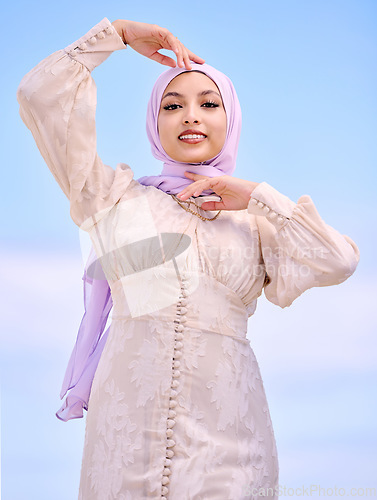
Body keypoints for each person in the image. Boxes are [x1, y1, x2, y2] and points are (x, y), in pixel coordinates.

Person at [17, 17, 359, 500]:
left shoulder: (257, 223)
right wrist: (114, 36)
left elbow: (338, 261)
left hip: (231, 434)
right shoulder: (114, 200)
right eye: (172, 105)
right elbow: (39, 96)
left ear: (231, 118)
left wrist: (259, 195)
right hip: (125, 434)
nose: (190, 116)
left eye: (209, 104)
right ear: (155, 122)